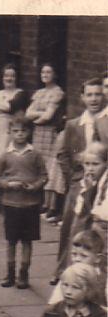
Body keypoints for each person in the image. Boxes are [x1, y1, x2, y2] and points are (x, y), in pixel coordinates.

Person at [52, 78, 108, 283]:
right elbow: (63, 154)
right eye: (89, 95)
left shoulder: (106, 121)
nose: (94, 99)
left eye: (98, 94)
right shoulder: (74, 124)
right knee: (72, 228)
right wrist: (74, 179)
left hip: (103, 187)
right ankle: (63, 272)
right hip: (80, 184)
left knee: (97, 230)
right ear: (82, 97)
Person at [0, 118, 47, 289]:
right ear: (11, 133)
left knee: (27, 240)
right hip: (11, 204)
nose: (19, 134)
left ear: (29, 132)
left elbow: (44, 176)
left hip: (30, 204)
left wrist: (34, 186)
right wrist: (8, 184)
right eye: (15, 131)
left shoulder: (35, 154)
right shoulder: (6, 155)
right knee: (11, 241)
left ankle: (23, 274)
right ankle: (10, 274)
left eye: (23, 131)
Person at [26, 63, 66, 220]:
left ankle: (52, 205)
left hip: (50, 133)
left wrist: (38, 116)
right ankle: (41, 202)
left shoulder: (57, 93)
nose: (45, 74)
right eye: (43, 71)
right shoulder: (39, 93)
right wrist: (39, 116)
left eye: (49, 72)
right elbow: (29, 113)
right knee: (39, 165)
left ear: (55, 74)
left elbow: (48, 116)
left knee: (51, 167)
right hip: (38, 133)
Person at [0, 64, 28, 186]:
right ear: (2, 78)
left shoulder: (20, 93)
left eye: (12, 76)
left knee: (4, 159)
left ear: (16, 78)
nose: (9, 78)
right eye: (6, 75)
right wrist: (3, 108)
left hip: (7, 131)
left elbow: (11, 106)